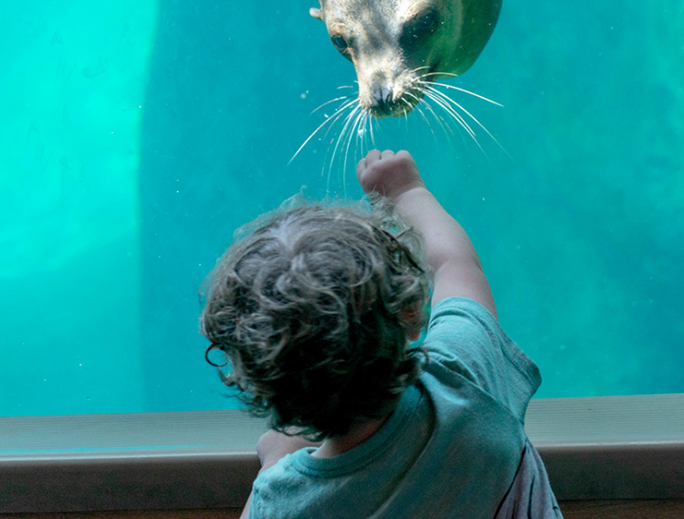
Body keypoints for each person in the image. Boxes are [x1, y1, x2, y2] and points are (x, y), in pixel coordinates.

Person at [200, 149, 562, 518]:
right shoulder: (465, 379)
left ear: (260, 384)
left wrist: (275, 461)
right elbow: (456, 264)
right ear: (410, 313)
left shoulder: (285, 503)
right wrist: (406, 191)